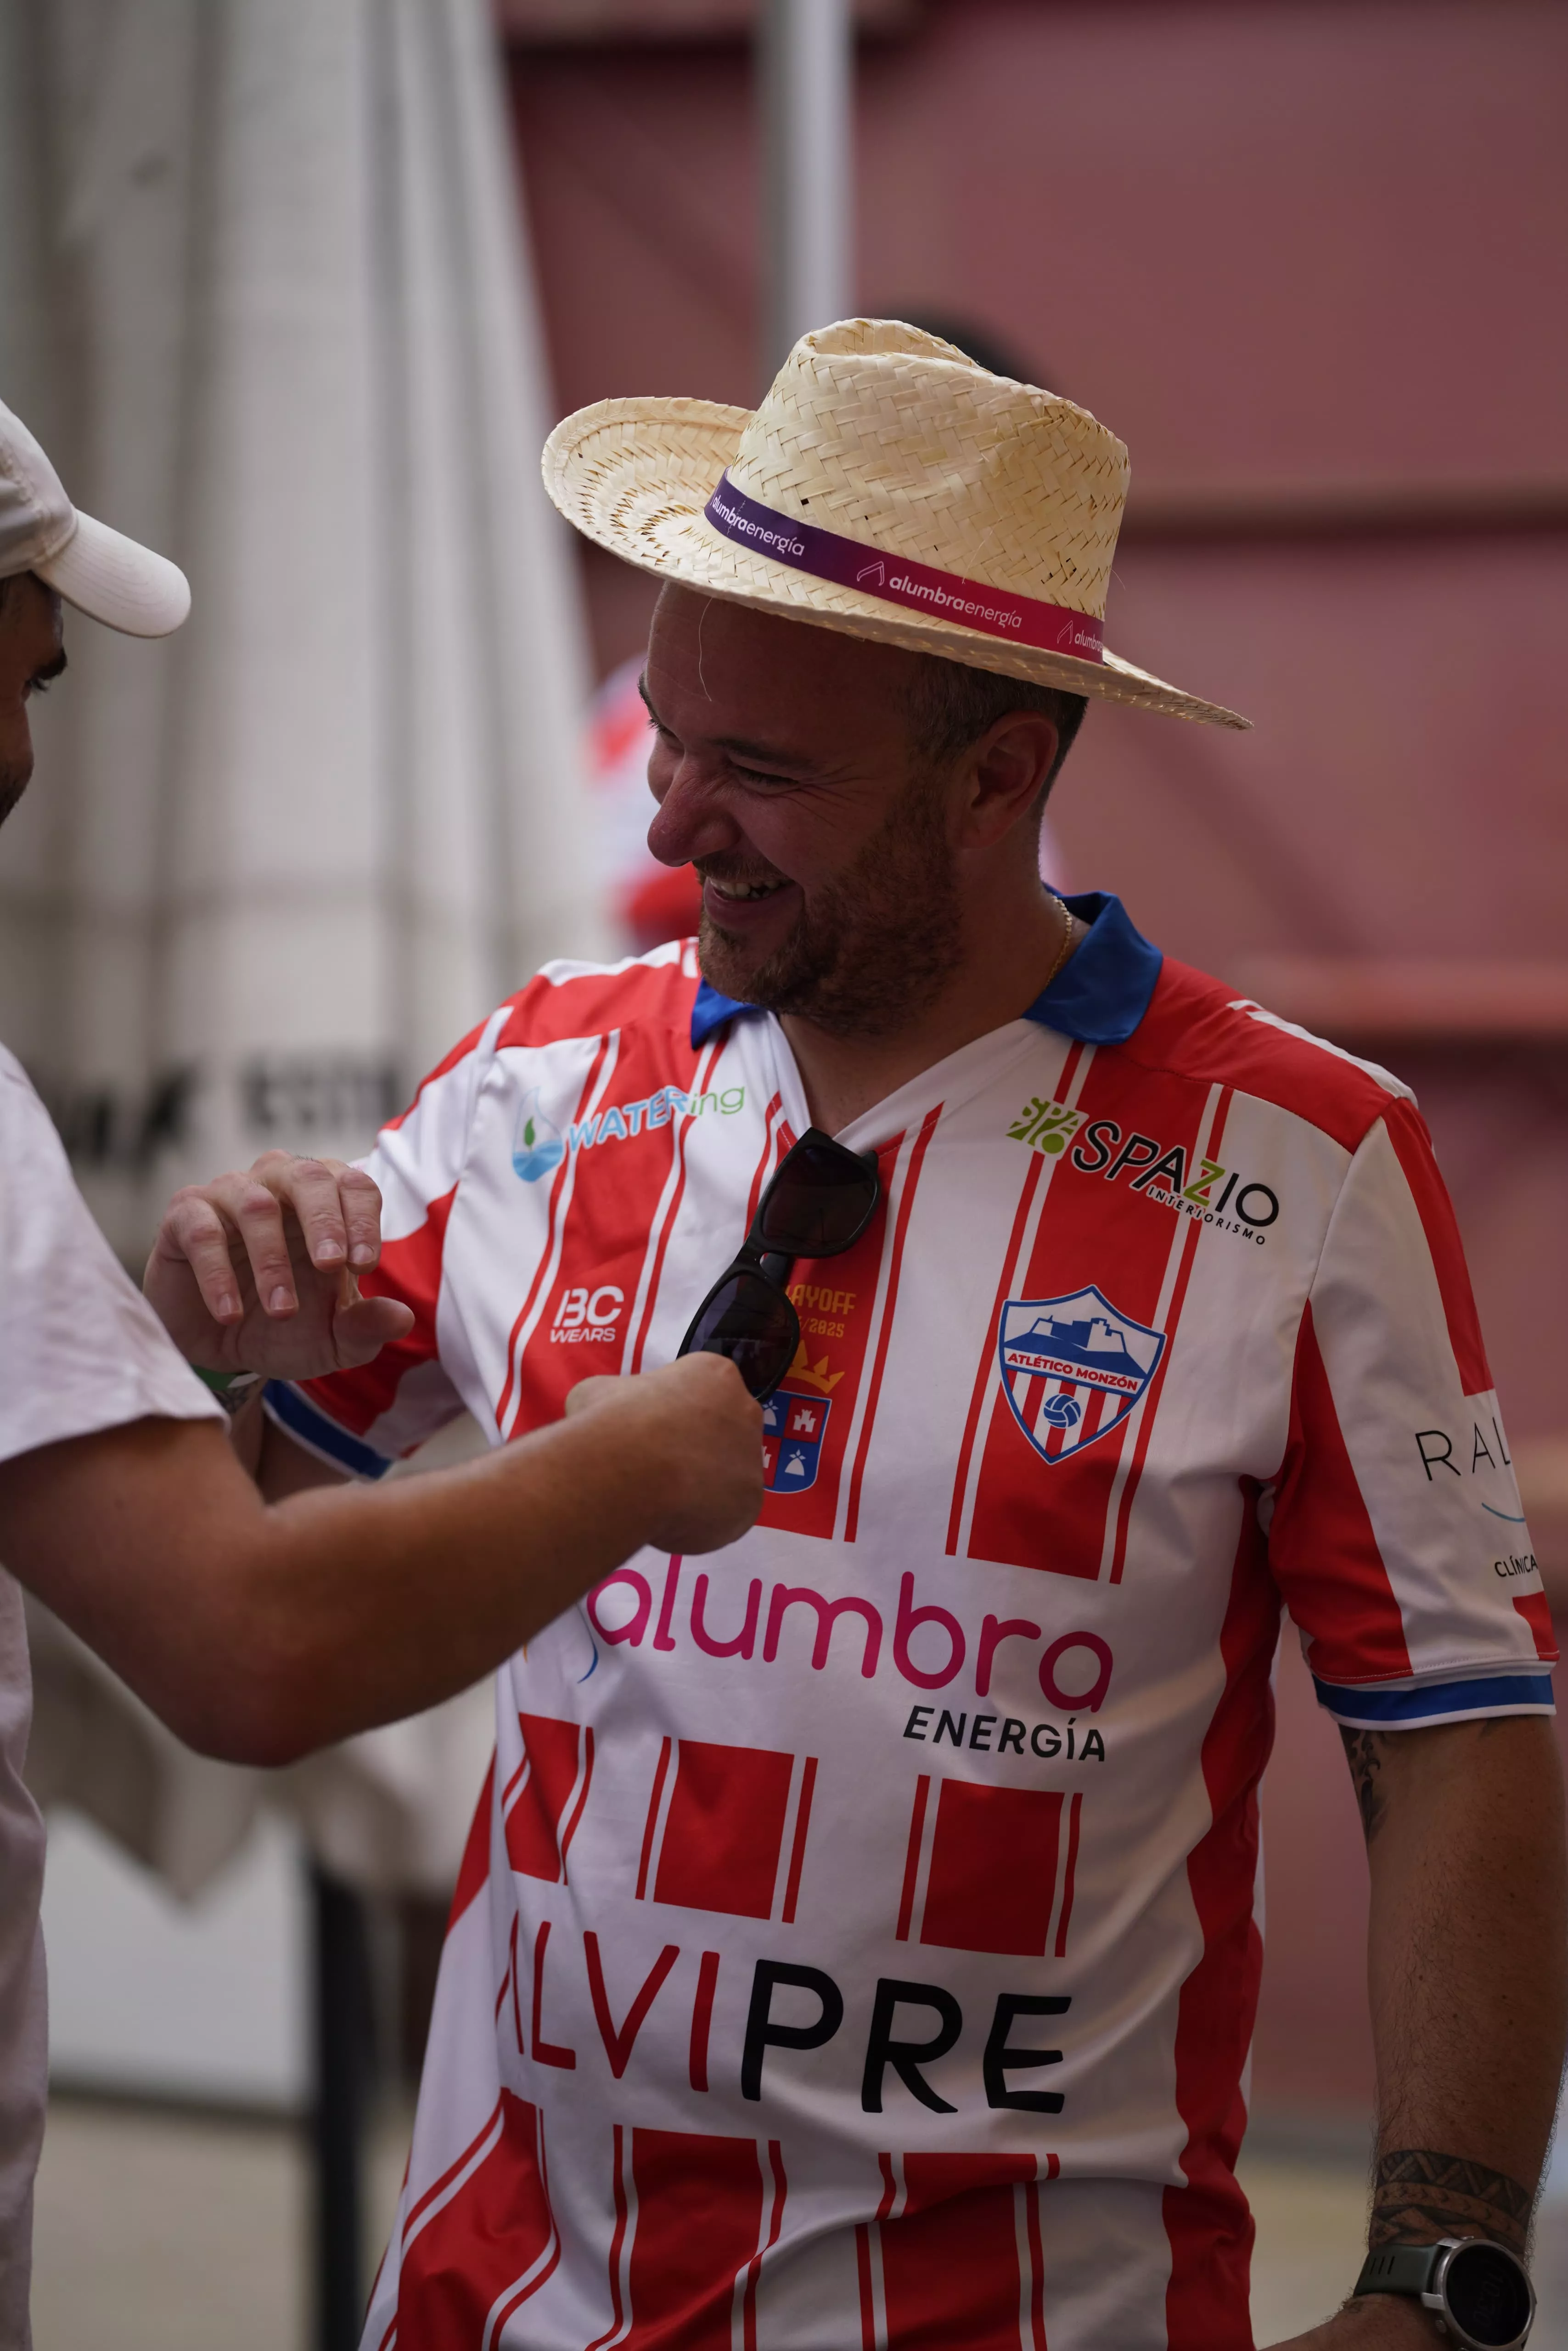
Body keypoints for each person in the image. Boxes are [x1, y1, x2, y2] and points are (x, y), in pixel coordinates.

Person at [151, 322, 1565, 2351]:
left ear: (999, 775)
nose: (671, 825)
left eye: (767, 772)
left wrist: (1437, 2276)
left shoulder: (1302, 1158)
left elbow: (1456, 1738)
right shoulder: (539, 1080)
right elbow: (214, 1565)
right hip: (496, 2302)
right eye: (668, 731)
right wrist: (216, 1343)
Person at [0, 393, 762, 2348]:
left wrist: (197, 1356)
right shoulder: (535, 1079)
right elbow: (248, 1634)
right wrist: (635, 1463)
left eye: (40, 687)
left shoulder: (1284, 1145)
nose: (18, 759)